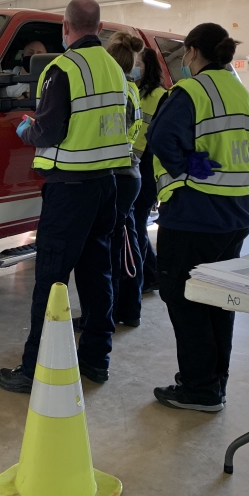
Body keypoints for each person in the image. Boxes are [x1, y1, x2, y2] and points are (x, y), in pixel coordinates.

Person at [0, 0, 131, 393]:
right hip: (107, 185)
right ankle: (95, 361)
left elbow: (50, 130)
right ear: (100, 26)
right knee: (96, 275)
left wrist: (26, 128)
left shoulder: (63, 68)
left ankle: (33, 369)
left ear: (65, 29)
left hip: (70, 188)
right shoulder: (115, 68)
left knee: (52, 280)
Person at [147, 22, 249, 413]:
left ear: (195, 52)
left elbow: (159, 140)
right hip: (237, 213)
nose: (184, 60)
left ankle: (199, 389)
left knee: (184, 297)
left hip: (194, 214)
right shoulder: (239, 91)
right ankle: (214, 383)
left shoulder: (190, 92)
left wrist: (189, 164)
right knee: (219, 299)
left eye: (185, 52)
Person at [75, 31, 145, 332]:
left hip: (116, 175)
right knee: (127, 244)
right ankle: (129, 310)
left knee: (108, 253)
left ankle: (107, 315)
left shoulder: (115, 92)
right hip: (130, 174)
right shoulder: (131, 89)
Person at [132, 47, 168, 294]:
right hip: (132, 164)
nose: (134, 67)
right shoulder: (134, 91)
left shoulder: (161, 96)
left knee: (137, 222)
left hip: (147, 165)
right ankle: (151, 274)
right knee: (135, 224)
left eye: (138, 64)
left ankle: (150, 275)